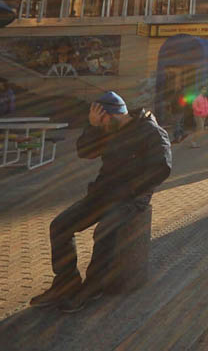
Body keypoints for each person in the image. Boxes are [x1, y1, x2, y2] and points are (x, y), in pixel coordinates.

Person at [29, 92, 171, 312]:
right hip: (102, 193)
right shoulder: (108, 128)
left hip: (133, 197)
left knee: (104, 231)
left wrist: (129, 190)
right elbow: (85, 152)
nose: (101, 125)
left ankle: (92, 287)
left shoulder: (150, 130)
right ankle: (66, 283)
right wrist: (93, 126)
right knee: (60, 226)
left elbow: (161, 168)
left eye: (101, 120)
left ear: (113, 114)